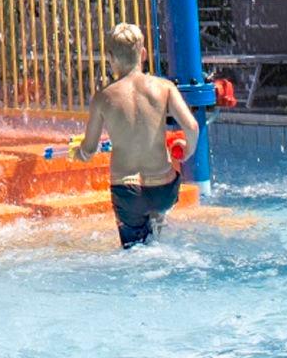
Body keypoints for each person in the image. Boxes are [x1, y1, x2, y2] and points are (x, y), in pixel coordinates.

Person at [72, 21, 201, 248]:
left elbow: (89, 149)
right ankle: (158, 223)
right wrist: (187, 150)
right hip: (164, 187)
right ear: (143, 54)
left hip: (127, 190)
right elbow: (192, 127)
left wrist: (80, 152)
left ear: (110, 58)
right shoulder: (164, 87)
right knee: (157, 236)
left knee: (135, 250)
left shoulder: (103, 97)